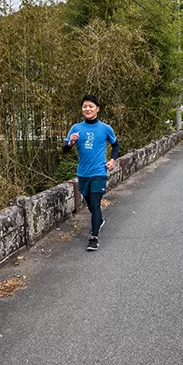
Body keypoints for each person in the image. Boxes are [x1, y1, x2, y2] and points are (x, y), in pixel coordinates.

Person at [62, 94, 119, 251]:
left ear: (97, 109)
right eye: (85, 106)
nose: (87, 109)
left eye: (91, 106)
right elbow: (64, 150)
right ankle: (99, 220)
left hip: (99, 172)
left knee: (95, 202)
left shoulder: (105, 128)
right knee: (91, 206)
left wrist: (112, 160)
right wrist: (70, 142)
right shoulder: (76, 128)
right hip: (83, 173)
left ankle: (94, 238)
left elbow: (116, 146)